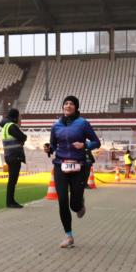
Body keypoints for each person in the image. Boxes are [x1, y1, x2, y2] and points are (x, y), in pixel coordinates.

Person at [43, 95, 101, 249]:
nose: (68, 106)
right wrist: (49, 148)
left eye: (71, 104)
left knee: (74, 205)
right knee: (62, 201)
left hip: (79, 166)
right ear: (63, 107)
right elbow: (53, 146)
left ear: (76, 107)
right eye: (66, 103)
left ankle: (80, 204)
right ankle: (68, 236)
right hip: (60, 165)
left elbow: (96, 142)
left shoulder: (82, 123)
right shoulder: (56, 125)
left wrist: (84, 145)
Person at [0, 108, 27, 208]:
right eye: (19, 116)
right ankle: (10, 202)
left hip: (9, 155)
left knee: (12, 180)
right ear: (15, 117)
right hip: (14, 156)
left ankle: (10, 201)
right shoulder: (11, 126)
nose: (20, 118)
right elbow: (23, 137)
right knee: (12, 180)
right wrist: (22, 137)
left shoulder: (5, 126)